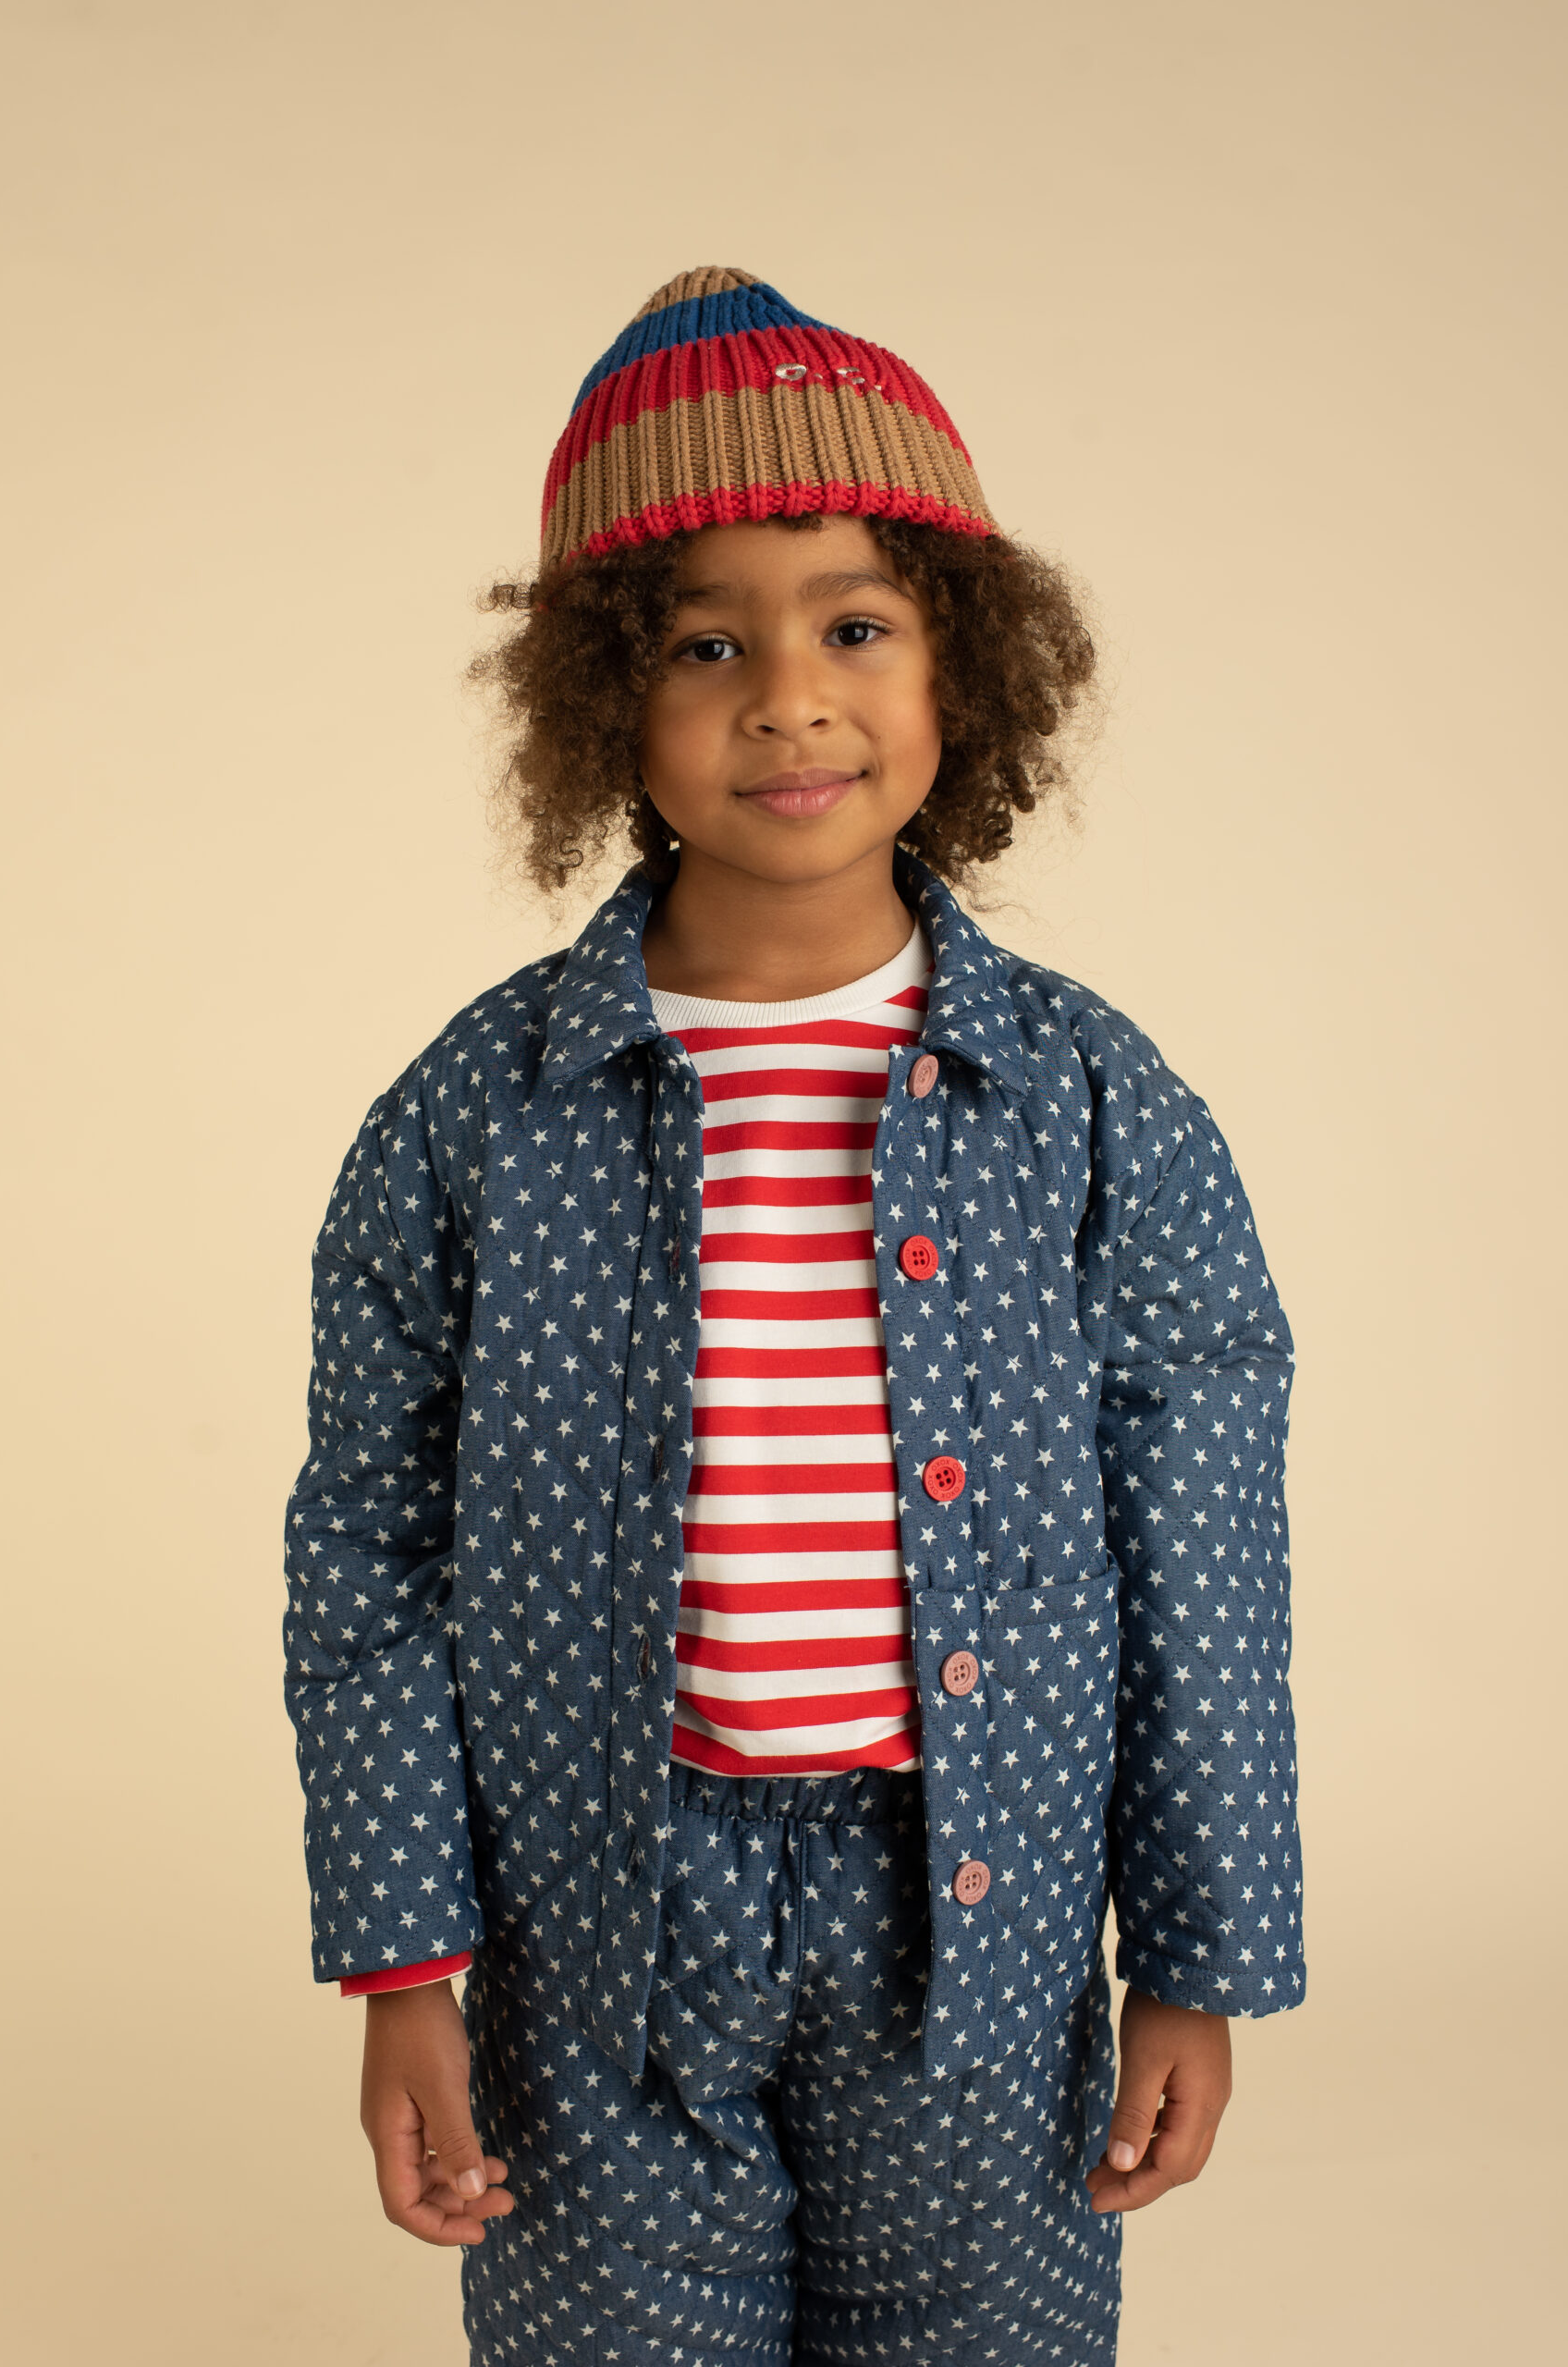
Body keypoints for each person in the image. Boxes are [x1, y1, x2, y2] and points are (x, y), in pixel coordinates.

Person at [284, 264, 1305, 2366]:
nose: (786, 699)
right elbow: (367, 1545)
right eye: (703, 644)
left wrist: (1199, 1955)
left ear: (963, 663)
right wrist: (403, 1963)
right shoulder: (475, 1112)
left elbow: (1202, 1540)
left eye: (854, 626)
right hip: (594, 1940)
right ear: (603, 701)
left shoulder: (1089, 1100)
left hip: (984, 1928)